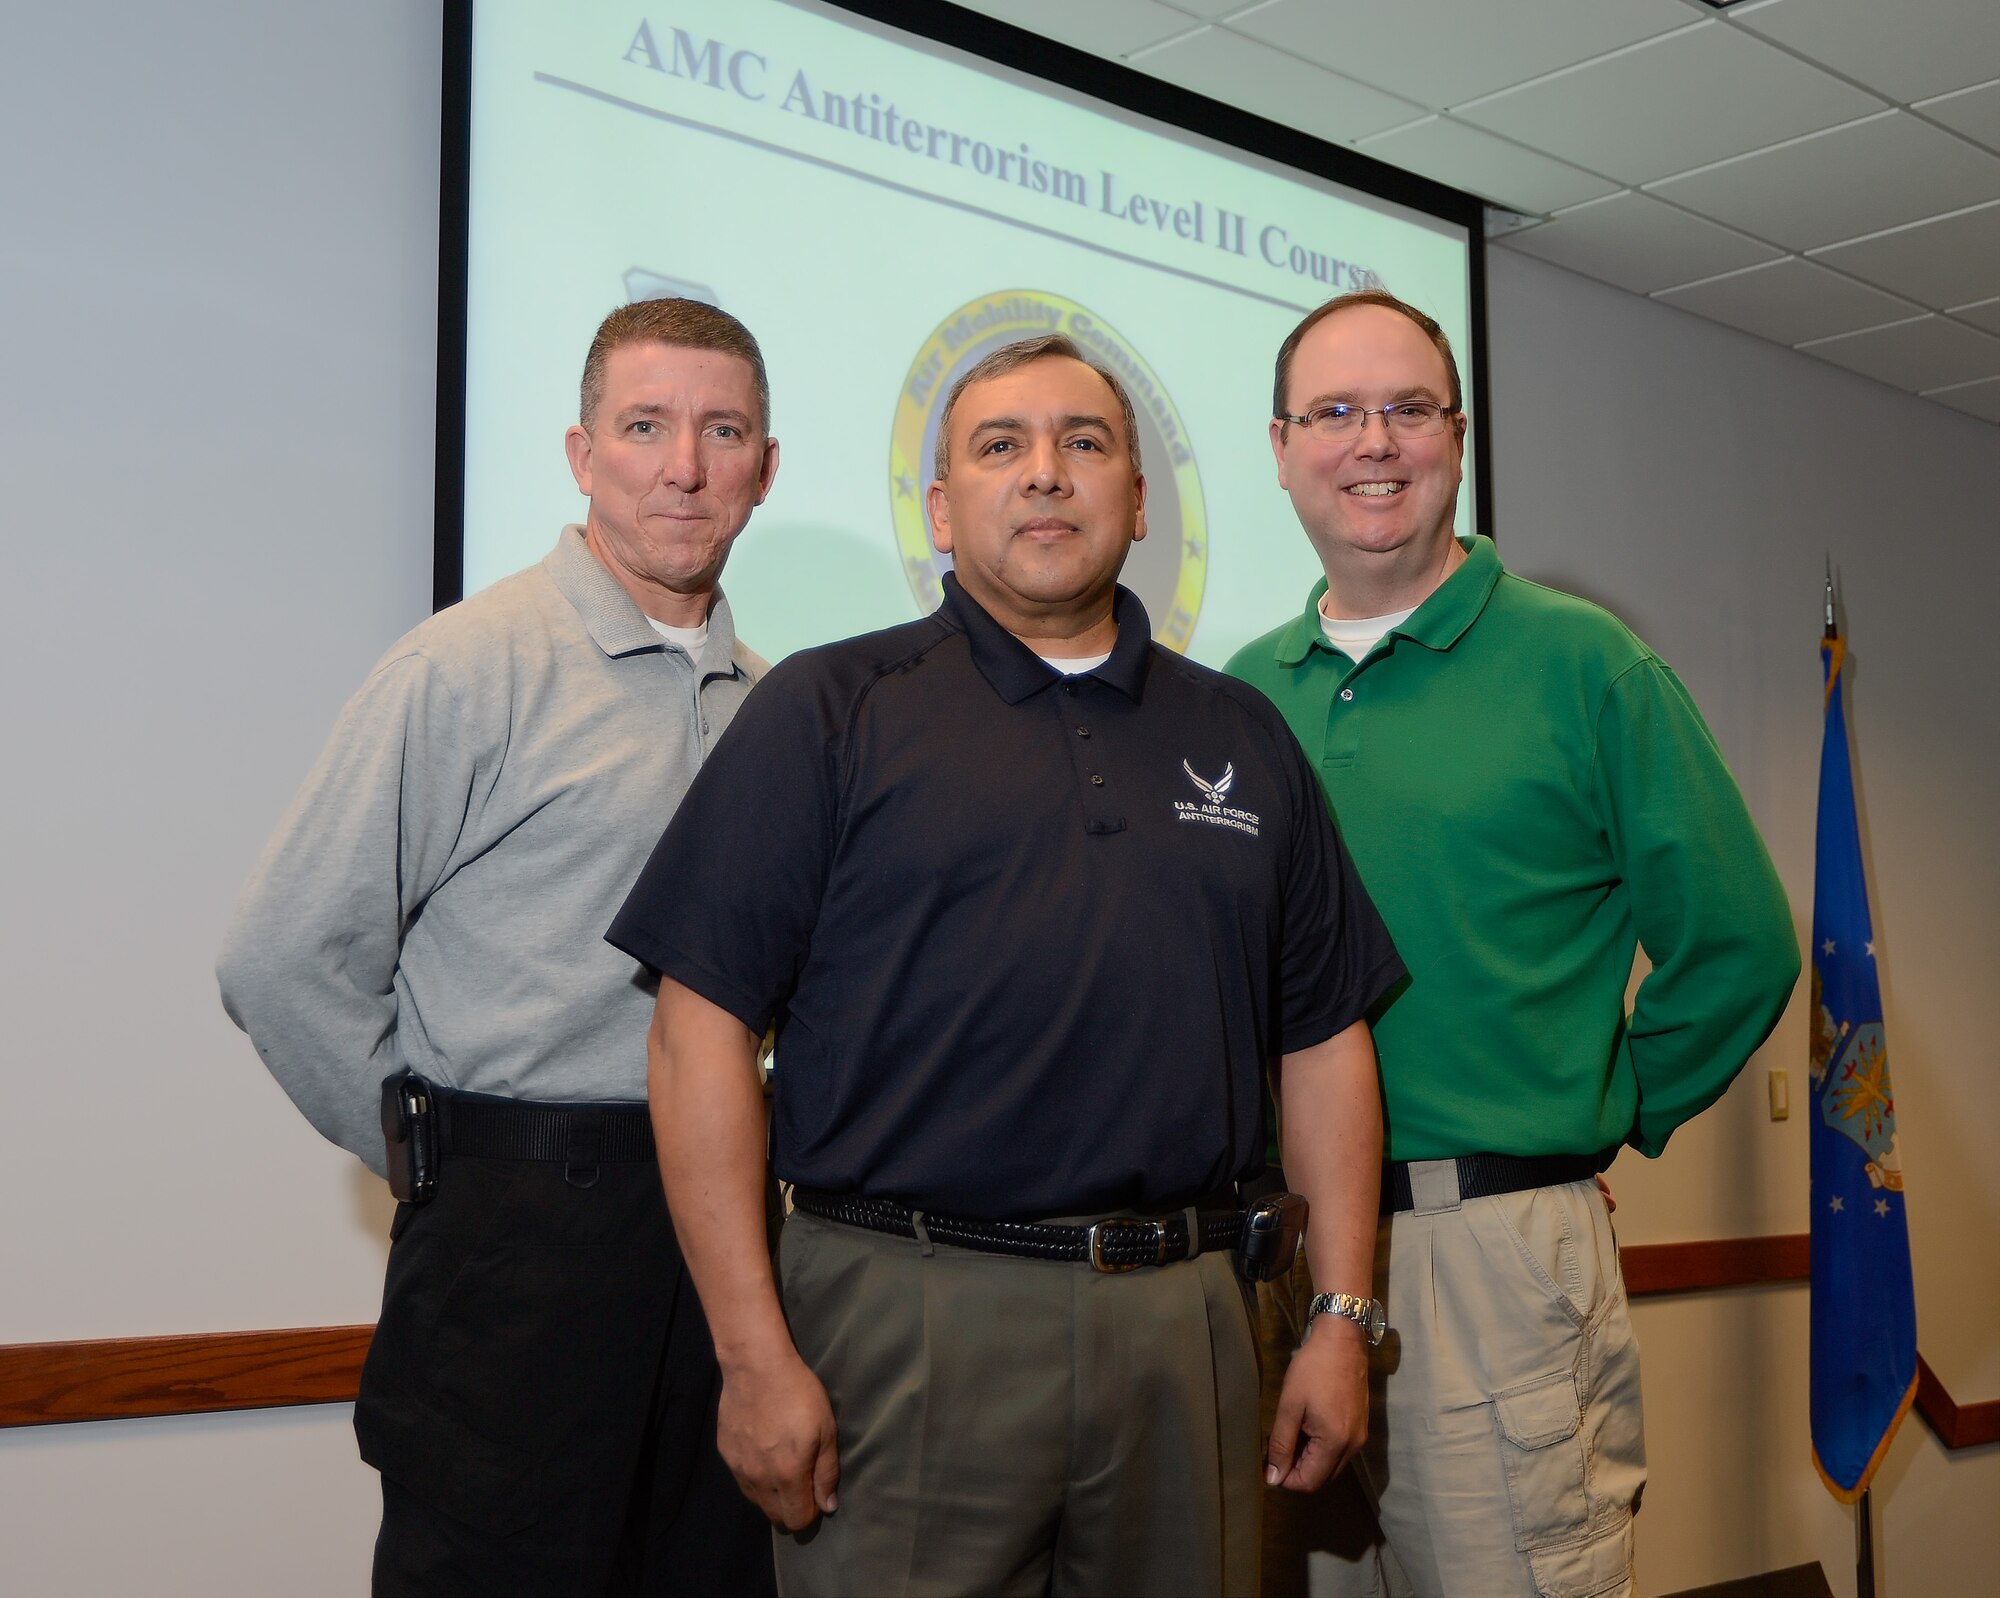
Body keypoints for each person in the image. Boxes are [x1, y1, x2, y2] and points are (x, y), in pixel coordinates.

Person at [605, 334, 1407, 1598]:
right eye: (1000, 446)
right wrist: (752, 1354)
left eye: (1084, 443)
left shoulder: (1241, 734)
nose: (1045, 473)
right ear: (940, 507)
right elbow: (691, 1034)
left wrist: (1342, 1316)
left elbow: (1319, 1040)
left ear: (1139, 504)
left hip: (1184, 1326)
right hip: (903, 1320)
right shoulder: (826, 709)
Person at [1228, 289, 1800, 1598]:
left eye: (1408, 409)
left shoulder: (1585, 665)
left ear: (1460, 436)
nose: (1373, 441)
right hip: (1273, 1264)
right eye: (1335, 412)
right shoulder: (1236, 693)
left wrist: (1592, 1115)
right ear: (1279, 445)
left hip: (1486, 1260)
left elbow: (1740, 943)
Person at [216, 298, 783, 1596]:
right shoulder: (464, 665)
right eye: (645, 427)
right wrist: (438, 1158)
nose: (684, 465)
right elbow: (279, 957)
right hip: (514, 1247)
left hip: (726, 1249)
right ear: (584, 456)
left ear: (765, 465)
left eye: (721, 430)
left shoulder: (781, 704)